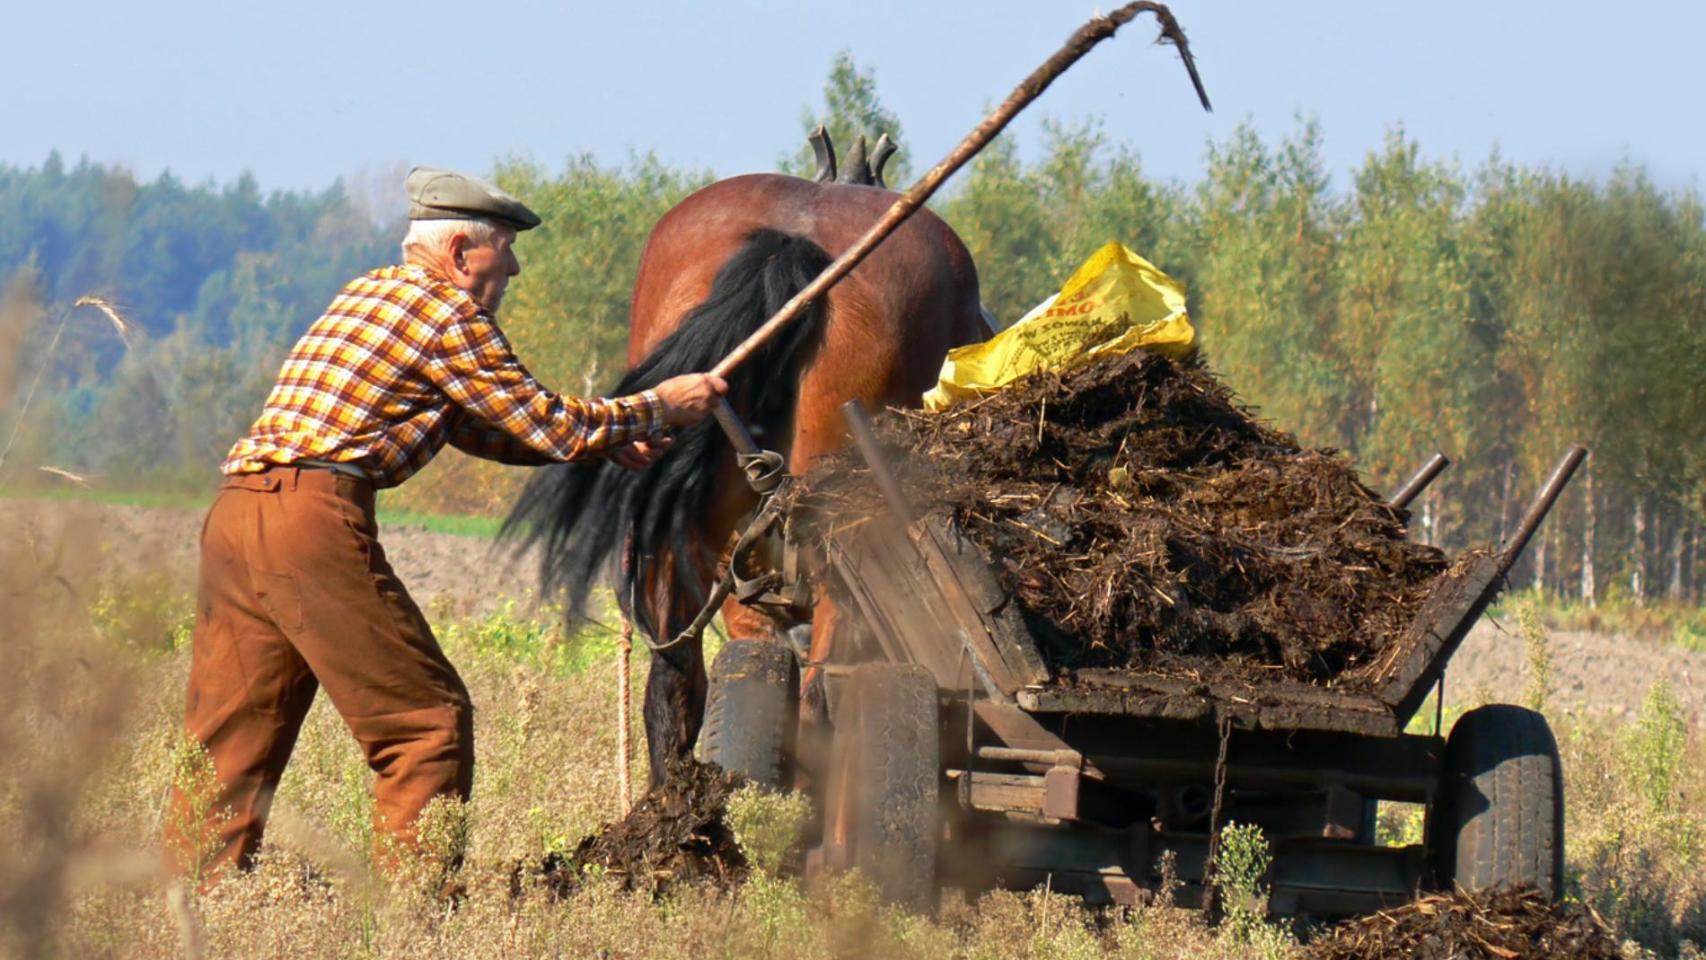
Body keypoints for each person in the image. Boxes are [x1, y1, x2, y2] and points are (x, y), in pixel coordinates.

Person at [168, 166, 727, 880]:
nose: (516, 267)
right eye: (506, 249)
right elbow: (547, 421)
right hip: (308, 523)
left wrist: (610, 442)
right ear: (461, 253)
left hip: (239, 516)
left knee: (230, 738)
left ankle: (190, 905)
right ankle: (411, 921)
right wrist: (660, 406)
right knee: (426, 726)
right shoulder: (447, 314)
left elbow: (479, 426)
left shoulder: (369, 293)